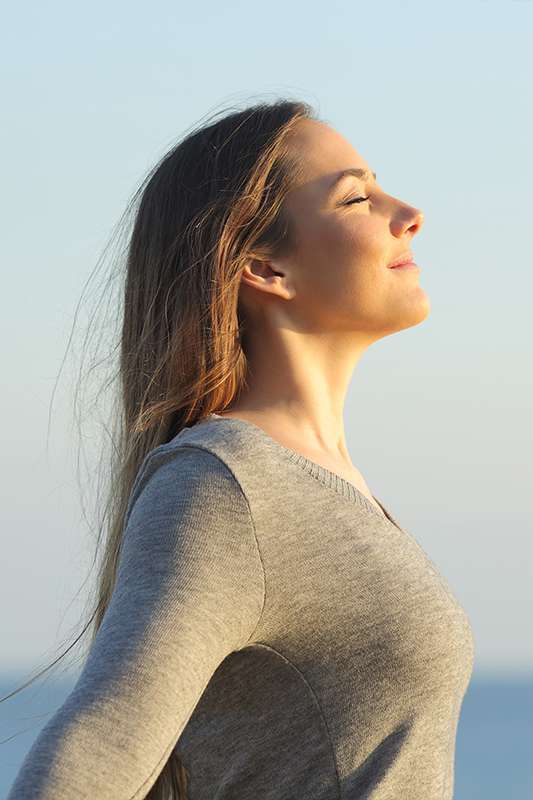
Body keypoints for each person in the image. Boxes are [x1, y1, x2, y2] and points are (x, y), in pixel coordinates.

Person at [5, 98, 475, 799]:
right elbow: (88, 761)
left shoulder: (315, 482)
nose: (407, 212)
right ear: (263, 268)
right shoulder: (225, 485)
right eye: (356, 197)